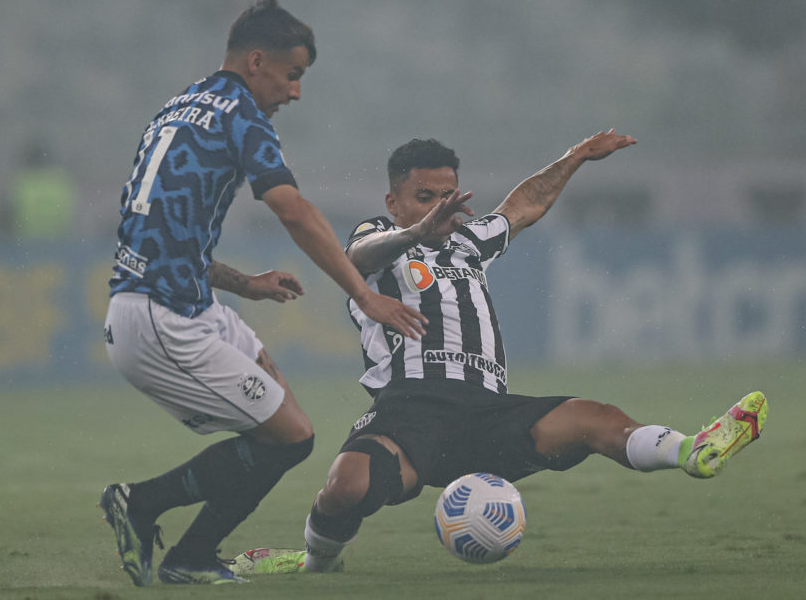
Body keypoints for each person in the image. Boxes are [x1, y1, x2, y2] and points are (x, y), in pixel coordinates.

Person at [282, 132, 769, 572]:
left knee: (592, 417)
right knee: (346, 486)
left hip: (488, 410)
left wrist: (575, 157)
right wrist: (413, 233)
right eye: (423, 198)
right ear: (394, 201)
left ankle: (693, 450)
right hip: (412, 411)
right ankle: (317, 564)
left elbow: (524, 205)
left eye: (445, 198)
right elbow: (355, 258)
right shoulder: (378, 243)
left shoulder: (470, 242)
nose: (436, 208)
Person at [99, 0, 426, 586]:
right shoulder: (240, 114)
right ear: (256, 61)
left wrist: (243, 283)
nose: (296, 92)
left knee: (285, 419)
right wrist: (365, 294)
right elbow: (293, 210)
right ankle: (148, 511)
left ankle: (190, 554)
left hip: (184, 300)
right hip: (159, 318)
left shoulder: (179, 105)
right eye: (292, 75)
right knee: (291, 437)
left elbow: (162, 231)